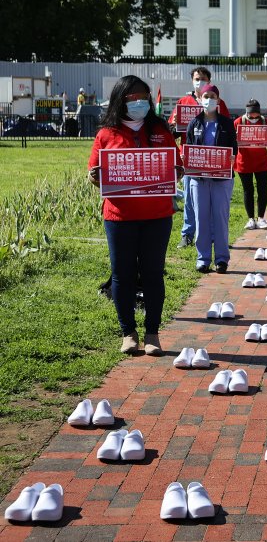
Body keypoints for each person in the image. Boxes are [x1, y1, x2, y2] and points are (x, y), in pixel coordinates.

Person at [87, 75, 182, 355]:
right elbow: (94, 171)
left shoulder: (160, 129)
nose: (140, 102)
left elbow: (176, 163)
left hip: (157, 216)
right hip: (119, 217)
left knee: (153, 274)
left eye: (144, 97)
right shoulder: (106, 134)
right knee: (122, 275)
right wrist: (96, 177)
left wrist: (177, 170)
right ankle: (128, 332)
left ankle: (152, 334)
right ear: (120, 101)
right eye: (133, 98)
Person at [169, 67, 230, 248]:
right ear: (192, 81)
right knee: (189, 198)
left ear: (209, 80)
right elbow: (172, 133)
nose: (200, 81)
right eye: (197, 78)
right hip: (191, 160)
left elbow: (226, 129)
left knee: (212, 200)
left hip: (215, 160)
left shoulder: (219, 103)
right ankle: (188, 234)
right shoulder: (183, 102)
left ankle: (211, 235)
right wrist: (173, 126)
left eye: (203, 78)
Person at [185, 85, 238, 273]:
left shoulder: (226, 123)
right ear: (200, 99)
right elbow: (189, 148)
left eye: (213, 96)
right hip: (199, 180)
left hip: (221, 179)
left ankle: (222, 259)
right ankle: (203, 258)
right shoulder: (194, 123)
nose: (209, 99)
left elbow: (234, 147)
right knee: (201, 218)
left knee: (220, 218)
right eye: (206, 96)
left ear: (218, 99)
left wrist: (232, 157)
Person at [234, 99, 267, 230]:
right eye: (251, 114)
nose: (254, 116)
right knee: (248, 190)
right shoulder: (239, 122)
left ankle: (261, 217)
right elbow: (232, 140)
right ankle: (251, 218)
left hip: (261, 161)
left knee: (262, 190)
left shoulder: (265, 121)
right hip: (244, 162)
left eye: (256, 113)